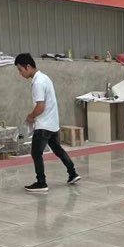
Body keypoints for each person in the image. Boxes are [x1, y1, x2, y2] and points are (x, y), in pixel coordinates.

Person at [14, 53, 81, 193]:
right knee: (58, 149)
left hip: (44, 125)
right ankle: (73, 173)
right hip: (53, 123)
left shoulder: (38, 83)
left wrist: (30, 116)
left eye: (20, 70)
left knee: (36, 153)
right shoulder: (45, 77)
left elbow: (40, 106)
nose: (20, 73)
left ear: (28, 67)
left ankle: (41, 182)